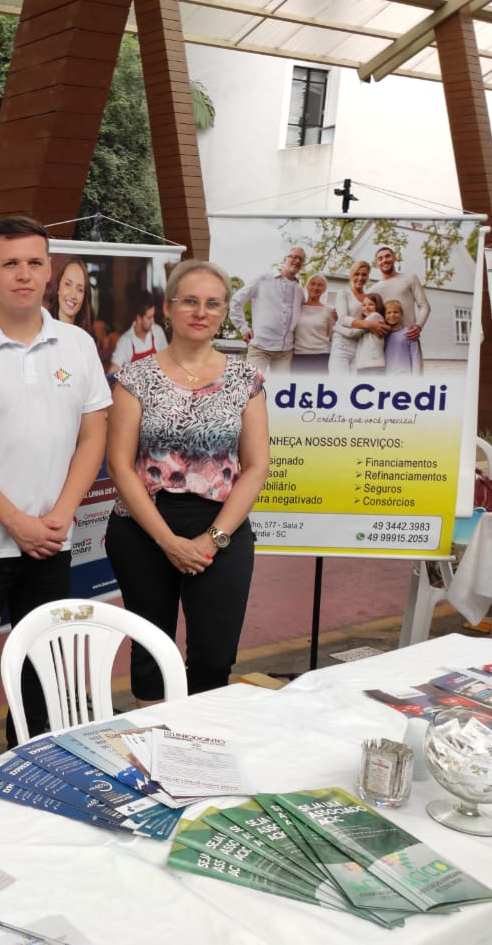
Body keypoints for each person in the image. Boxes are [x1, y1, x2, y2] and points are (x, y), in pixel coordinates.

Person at [0, 216, 111, 760]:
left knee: (39, 665)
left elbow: (93, 435)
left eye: (34, 263)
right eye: (10, 264)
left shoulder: (76, 346)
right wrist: (16, 521)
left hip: (50, 539)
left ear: (50, 271)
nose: (23, 274)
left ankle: (31, 768)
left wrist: (60, 514)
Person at [105, 259, 269, 703]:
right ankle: (155, 753)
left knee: (215, 657)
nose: (201, 312)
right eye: (190, 301)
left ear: (223, 312)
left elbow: (256, 466)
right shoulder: (133, 379)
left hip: (222, 527)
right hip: (144, 528)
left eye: (213, 304)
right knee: (151, 653)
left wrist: (212, 539)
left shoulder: (245, 380)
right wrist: (169, 542)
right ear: (168, 308)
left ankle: (199, 752)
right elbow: (120, 466)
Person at [228, 246, 306, 374]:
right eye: (294, 257)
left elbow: (306, 313)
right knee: (252, 388)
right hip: (260, 347)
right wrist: (243, 328)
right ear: (285, 259)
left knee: (281, 391)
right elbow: (236, 301)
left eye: (301, 259)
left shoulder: (299, 290)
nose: (297, 261)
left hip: (285, 351)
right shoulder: (263, 279)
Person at [370, 245, 430, 364]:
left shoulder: (410, 278)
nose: (384, 260)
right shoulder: (374, 289)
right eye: (380, 258)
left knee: (414, 377)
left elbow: (424, 306)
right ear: (377, 263)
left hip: (409, 338)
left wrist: (418, 326)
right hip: (384, 342)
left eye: (387, 256)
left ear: (394, 258)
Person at [328, 260, 371, 375]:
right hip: (342, 343)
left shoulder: (368, 298)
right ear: (351, 275)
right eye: (357, 274)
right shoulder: (344, 293)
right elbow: (342, 319)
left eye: (364, 274)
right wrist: (368, 325)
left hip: (360, 344)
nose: (360, 278)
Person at [108, 291, 167, 373]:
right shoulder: (125, 341)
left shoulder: (158, 332)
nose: (153, 321)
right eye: (149, 318)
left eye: (153, 316)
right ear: (139, 319)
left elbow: (167, 361)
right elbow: (113, 371)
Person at [291, 273, 334, 373]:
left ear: (324, 289)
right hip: (298, 355)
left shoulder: (329, 310)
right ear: (307, 286)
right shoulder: (297, 308)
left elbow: (332, 336)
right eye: (313, 284)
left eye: (320, 285)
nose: (316, 287)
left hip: (321, 356)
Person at [351, 292, 390, 375]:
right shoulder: (365, 321)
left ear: (377, 306)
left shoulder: (375, 316)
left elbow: (352, 333)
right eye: (364, 305)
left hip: (373, 365)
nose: (367, 307)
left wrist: (337, 326)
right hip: (364, 365)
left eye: (371, 304)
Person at [383, 300, 421, 375]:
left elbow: (415, 357)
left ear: (401, 314)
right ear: (384, 315)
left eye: (396, 312)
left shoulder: (410, 333)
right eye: (388, 312)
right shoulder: (383, 335)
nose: (392, 315)